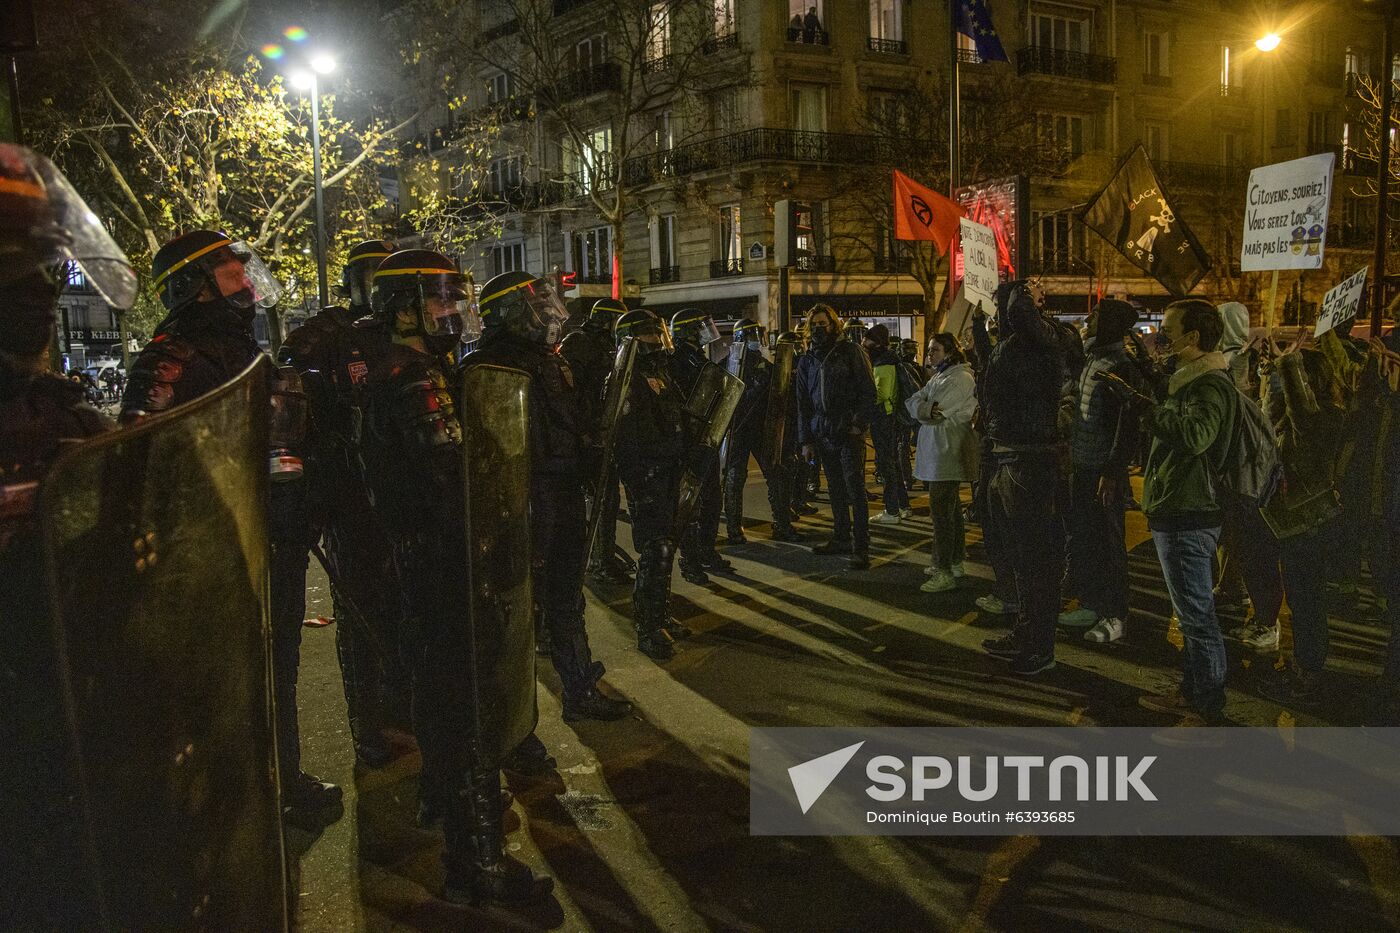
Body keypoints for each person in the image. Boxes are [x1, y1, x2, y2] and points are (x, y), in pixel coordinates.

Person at [121, 230, 343, 821]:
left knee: (279, 668)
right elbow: (142, 466)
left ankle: (279, 780)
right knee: (223, 679)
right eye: (231, 271)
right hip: (215, 555)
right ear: (196, 287)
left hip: (272, 541)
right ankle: (234, 795)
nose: (247, 282)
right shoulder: (171, 360)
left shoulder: (243, 350)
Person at [357, 248, 551, 905]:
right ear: (403, 308)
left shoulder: (416, 366)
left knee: (445, 708)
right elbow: (450, 479)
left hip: (423, 563)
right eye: (438, 301)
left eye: (453, 299)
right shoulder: (410, 376)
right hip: (440, 566)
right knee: (467, 714)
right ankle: (481, 864)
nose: (452, 311)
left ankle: (463, 854)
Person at [466, 272, 632, 723]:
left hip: (560, 495)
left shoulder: (552, 362)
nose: (550, 315)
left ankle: (579, 688)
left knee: (565, 597)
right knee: (515, 610)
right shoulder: (487, 368)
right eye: (538, 307)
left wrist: (592, 451)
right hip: (521, 504)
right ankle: (512, 717)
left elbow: (571, 426)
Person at [279, 238, 405, 769]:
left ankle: (401, 706)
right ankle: (367, 726)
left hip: (400, 487)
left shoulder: (399, 336)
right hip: (349, 491)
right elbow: (290, 393)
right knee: (362, 611)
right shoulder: (326, 335)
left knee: (404, 603)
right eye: (371, 276)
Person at [1134, 299, 1235, 726]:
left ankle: (1207, 706)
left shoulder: (1208, 384)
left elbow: (1196, 437)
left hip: (1189, 513)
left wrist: (1146, 409)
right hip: (1178, 509)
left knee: (1196, 615)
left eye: (1169, 329)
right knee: (1191, 612)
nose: (1162, 335)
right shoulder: (1188, 381)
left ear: (1193, 338)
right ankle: (1192, 691)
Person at [1254, 328, 1350, 706]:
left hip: (1309, 523)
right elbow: (1267, 418)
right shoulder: (1287, 419)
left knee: (1307, 603)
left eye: (1293, 377)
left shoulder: (1326, 418)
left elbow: (1303, 416)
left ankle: (1308, 676)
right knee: (1299, 599)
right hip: (1289, 523)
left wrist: (1290, 365)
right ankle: (1302, 668)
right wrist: (1268, 373)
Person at [976, 282, 1066, 676]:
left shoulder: (1044, 337)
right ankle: (1025, 632)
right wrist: (979, 324)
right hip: (1004, 453)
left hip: (1029, 459)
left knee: (1034, 559)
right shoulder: (1013, 344)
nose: (1000, 311)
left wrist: (1021, 294)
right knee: (1014, 555)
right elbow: (991, 369)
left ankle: (1039, 647)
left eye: (1004, 305)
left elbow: (1023, 320)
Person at [1058, 299, 1143, 644]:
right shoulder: (1093, 359)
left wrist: (1113, 471)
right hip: (1083, 464)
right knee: (1087, 539)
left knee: (1110, 546)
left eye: (1095, 316)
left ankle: (1115, 615)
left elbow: (1128, 425)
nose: (1088, 320)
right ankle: (1093, 604)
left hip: (1103, 471)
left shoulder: (1122, 366)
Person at [614, 309, 689, 660]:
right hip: (647, 473)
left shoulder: (659, 372)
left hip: (668, 467)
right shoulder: (625, 378)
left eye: (658, 333)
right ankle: (647, 626)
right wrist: (642, 473)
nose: (657, 340)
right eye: (649, 334)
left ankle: (660, 615)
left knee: (667, 546)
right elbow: (628, 437)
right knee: (654, 548)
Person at [796, 304, 876, 569]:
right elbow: (803, 403)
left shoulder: (850, 352)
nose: (819, 328)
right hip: (823, 433)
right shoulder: (807, 360)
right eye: (814, 324)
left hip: (847, 431)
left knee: (855, 491)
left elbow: (868, 391)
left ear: (833, 324)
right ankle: (841, 537)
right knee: (835, 490)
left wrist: (857, 424)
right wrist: (806, 440)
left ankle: (861, 547)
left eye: (823, 323)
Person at [560, 296, 633, 584]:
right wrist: (583, 431)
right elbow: (572, 393)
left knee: (608, 497)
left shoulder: (604, 346)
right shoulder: (579, 344)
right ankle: (598, 560)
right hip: (585, 436)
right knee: (601, 497)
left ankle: (601, 555)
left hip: (601, 433)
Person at [906, 333, 977, 594]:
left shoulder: (960, 378)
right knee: (950, 508)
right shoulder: (941, 376)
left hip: (947, 451)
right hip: (939, 451)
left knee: (941, 513)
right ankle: (955, 560)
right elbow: (915, 401)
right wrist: (923, 408)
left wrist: (923, 409)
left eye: (935, 349)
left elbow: (936, 410)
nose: (930, 354)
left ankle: (943, 568)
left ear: (949, 352)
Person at [669, 308, 733, 583]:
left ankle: (707, 550)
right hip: (689, 442)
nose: (707, 331)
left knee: (711, 500)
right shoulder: (677, 362)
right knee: (691, 505)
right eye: (701, 327)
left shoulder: (698, 358)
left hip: (706, 439)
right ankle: (691, 561)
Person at [723, 317, 800, 543]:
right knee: (734, 478)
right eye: (751, 337)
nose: (756, 342)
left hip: (760, 429)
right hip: (737, 429)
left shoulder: (766, 368)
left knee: (776, 474)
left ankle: (782, 524)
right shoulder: (727, 366)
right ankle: (734, 529)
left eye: (758, 336)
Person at [866, 324, 913, 525]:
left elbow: (881, 393)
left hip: (884, 418)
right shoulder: (889, 359)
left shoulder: (883, 362)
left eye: (867, 339)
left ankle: (891, 510)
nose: (863, 343)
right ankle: (903, 506)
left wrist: (863, 402)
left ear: (876, 342)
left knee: (887, 465)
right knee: (893, 463)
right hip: (890, 417)